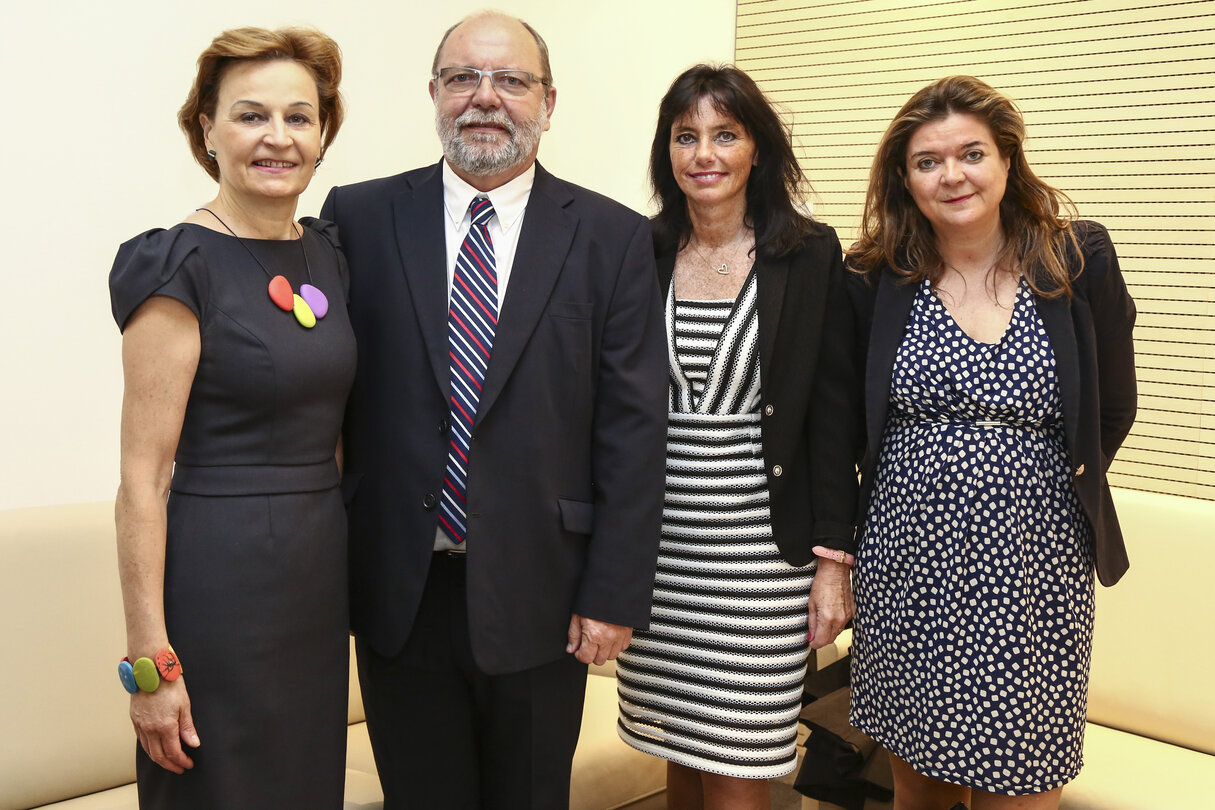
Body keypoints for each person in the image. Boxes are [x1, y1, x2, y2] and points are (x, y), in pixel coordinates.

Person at [319, 11, 668, 809]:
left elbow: (633, 428)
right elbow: (322, 386)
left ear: (549, 101)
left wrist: (614, 594)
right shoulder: (359, 217)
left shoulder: (611, 237)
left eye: (511, 80)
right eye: (463, 79)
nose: (485, 99)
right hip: (399, 590)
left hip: (546, 592)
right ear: (434, 94)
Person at [846, 75, 1137, 809]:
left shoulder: (1076, 258)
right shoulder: (874, 277)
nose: (951, 175)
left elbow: (1110, 409)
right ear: (902, 178)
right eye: (926, 161)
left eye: (970, 153)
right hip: (906, 568)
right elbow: (846, 418)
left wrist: (1022, 485)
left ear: (1006, 159)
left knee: (1025, 777)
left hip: (1033, 571)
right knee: (919, 788)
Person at [108, 27, 353, 809]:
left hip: (317, 582)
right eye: (250, 116)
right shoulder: (177, 263)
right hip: (220, 584)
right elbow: (142, 481)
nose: (277, 138)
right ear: (206, 130)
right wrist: (150, 665)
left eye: (299, 117)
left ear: (323, 135)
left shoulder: (330, 256)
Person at [614, 64, 860, 810]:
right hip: (656, 557)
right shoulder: (641, 248)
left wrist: (831, 562)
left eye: (725, 134)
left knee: (738, 767)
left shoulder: (807, 253)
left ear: (758, 148)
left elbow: (831, 416)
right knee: (679, 761)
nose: (704, 154)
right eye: (685, 136)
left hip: (760, 557)